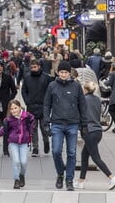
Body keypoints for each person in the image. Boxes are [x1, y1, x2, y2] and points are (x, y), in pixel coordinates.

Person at [43, 61, 87, 191]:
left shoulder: (76, 86)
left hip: (73, 123)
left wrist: (84, 124)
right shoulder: (52, 86)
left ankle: (69, 179)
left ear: (69, 73)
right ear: (58, 72)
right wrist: (46, 122)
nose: (63, 74)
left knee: (71, 153)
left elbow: (82, 105)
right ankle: (60, 173)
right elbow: (46, 104)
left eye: (65, 72)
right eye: (61, 72)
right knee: (56, 151)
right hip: (57, 123)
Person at [75, 81, 115, 190]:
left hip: (89, 131)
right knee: (84, 155)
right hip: (98, 131)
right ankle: (81, 181)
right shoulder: (97, 100)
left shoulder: (84, 100)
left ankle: (112, 177)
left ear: (85, 90)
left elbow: (80, 114)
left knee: (95, 157)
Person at [0, 100, 35, 189]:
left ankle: (22, 175)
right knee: (16, 161)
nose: (14, 110)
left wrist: (30, 131)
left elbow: (32, 121)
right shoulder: (9, 119)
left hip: (24, 142)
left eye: (15, 108)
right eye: (12, 109)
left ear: (20, 107)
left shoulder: (26, 116)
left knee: (23, 162)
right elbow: (4, 128)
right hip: (13, 142)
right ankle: (16, 180)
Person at [21, 59, 53, 157]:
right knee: (33, 128)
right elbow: (24, 91)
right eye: (32, 67)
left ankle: (46, 142)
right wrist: (27, 102)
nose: (33, 69)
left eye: (35, 67)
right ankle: (35, 148)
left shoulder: (46, 78)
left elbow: (50, 91)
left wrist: (48, 104)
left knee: (44, 127)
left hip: (43, 106)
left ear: (39, 66)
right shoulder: (27, 78)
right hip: (31, 106)